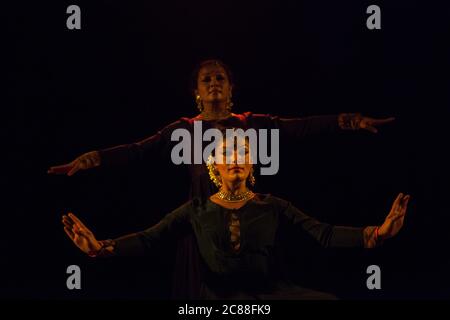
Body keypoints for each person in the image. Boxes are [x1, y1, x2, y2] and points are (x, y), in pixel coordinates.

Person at [50, 59, 396, 298]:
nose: (214, 82)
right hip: (201, 222)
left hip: (249, 217)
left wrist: (349, 120)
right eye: (207, 79)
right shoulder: (184, 129)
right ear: (197, 92)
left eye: (220, 78)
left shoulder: (250, 122)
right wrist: (92, 159)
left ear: (231, 88)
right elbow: (138, 149)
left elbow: (301, 126)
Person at [62, 134, 410, 299]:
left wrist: (377, 233)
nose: (235, 157)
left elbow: (325, 233)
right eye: (226, 153)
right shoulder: (196, 209)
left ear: (250, 166)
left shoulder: (272, 204)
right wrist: (99, 247)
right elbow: (148, 238)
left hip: (269, 294)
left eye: (243, 152)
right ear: (214, 167)